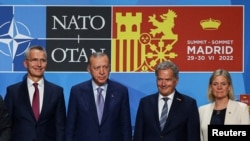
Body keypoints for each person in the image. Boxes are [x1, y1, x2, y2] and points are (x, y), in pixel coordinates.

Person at [65, 52, 132, 141]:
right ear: (89, 69)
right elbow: (70, 128)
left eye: (105, 67)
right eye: (97, 68)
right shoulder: (77, 92)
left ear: (109, 68)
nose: (102, 72)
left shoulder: (121, 91)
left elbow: (126, 128)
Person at [4, 45, 66, 141]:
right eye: (34, 60)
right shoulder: (13, 92)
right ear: (25, 63)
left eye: (43, 60)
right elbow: (6, 126)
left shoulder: (57, 92)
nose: (39, 64)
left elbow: (60, 127)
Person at [133, 61, 200, 141]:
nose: (163, 84)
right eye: (160, 79)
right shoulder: (145, 103)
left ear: (176, 81)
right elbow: (138, 135)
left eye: (168, 80)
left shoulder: (189, 104)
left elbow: (193, 137)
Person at [199, 69, 250, 141]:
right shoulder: (202, 111)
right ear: (210, 87)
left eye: (223, 84)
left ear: (229, 87)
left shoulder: (241, 109)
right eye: (215, 84)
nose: (219, 87)